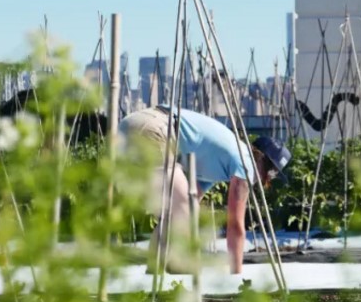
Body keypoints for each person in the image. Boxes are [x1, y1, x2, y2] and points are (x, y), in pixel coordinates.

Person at [118, 105, 291, 274]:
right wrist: (237, 277)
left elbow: (191, 203)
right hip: (154, 128)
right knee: (181, 210)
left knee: (179, 211)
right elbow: (235, 225)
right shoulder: (246, 163)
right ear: (260, 157)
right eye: (271, 171)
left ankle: (154, 273)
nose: (269, 178)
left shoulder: (221, 162)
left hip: (132, 126)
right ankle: (177, 269)